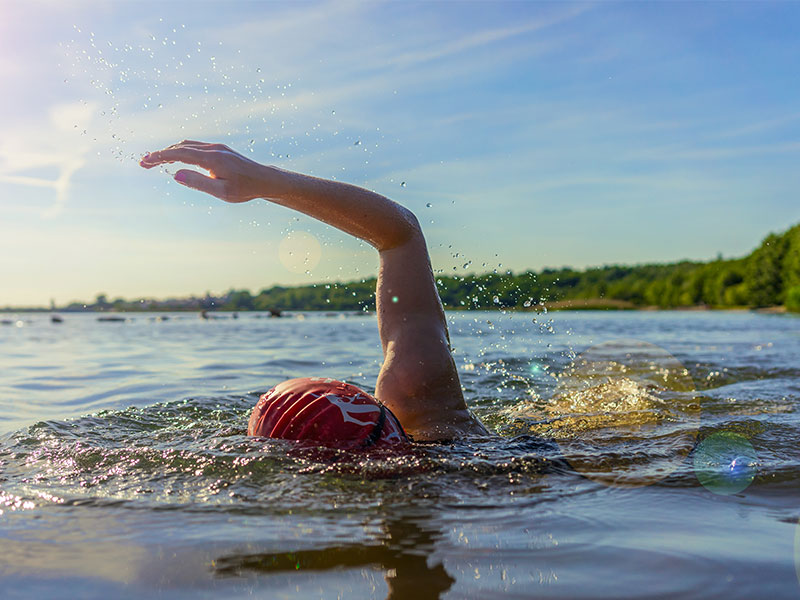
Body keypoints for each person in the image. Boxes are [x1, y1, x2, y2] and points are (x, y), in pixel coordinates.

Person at [140, 140, 488, 445]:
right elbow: (402, 234)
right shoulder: (426, 409)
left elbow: (401, 237)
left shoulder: (428, 415)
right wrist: (268, 181)